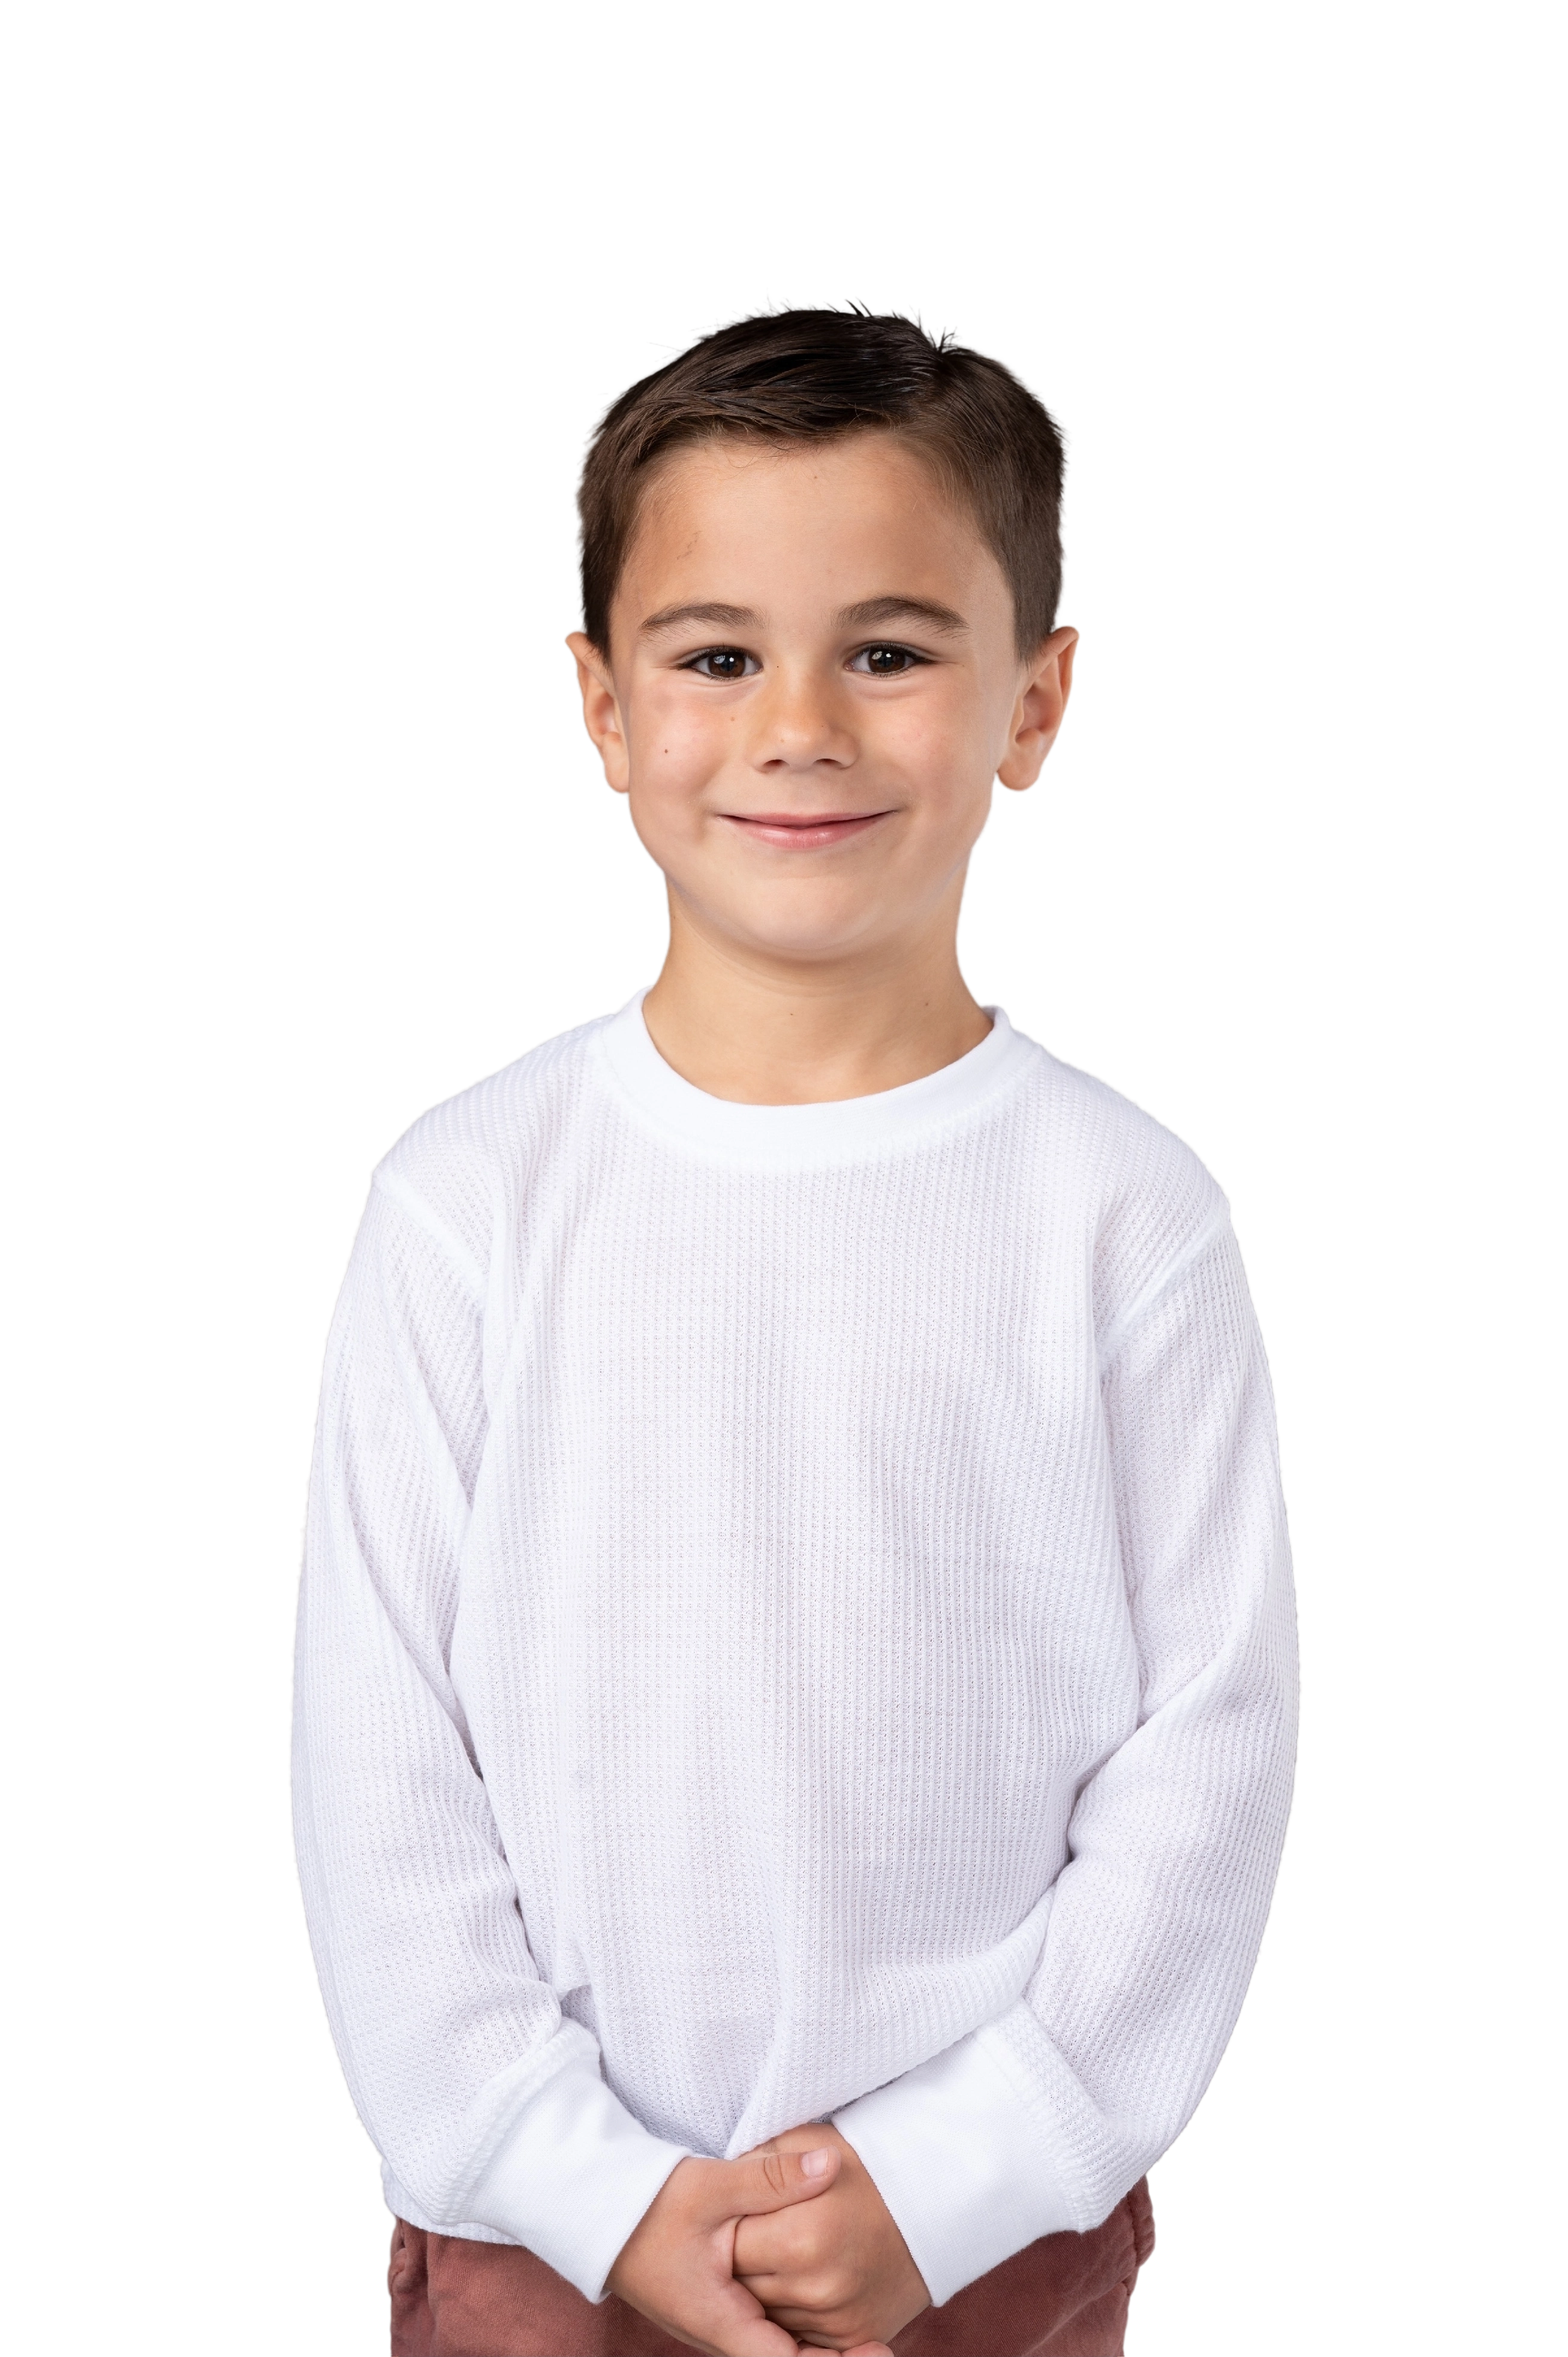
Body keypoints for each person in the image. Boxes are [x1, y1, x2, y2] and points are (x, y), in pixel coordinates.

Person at [288, 290, 1303, 2357]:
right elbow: (378, 1761)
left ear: (1033, 703)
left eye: (891, 652)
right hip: (538, 2239)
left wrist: (964, 2171)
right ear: (603, 705)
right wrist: (579, 2180)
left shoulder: (1124, 1218)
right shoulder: (467, 1196)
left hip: (984, 2247)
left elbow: (1210, 1754)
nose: (800, 726)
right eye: (718, 655)